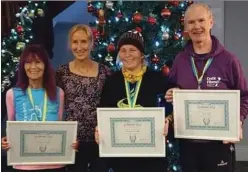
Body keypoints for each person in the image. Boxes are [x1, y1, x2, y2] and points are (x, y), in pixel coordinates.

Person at [165, 3, 248, 172]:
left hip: (219, 143)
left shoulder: (229, 60)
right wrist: (172, 93)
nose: (196, 26)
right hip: (188, 143)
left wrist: (238, 121)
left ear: (211, 22)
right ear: (186, 26)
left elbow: (244, 96)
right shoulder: (180, 60)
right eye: (191, 22)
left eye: (201, 20)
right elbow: (171, 89)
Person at [95, 30, 174, 172]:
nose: (127, 55)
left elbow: (171, 107)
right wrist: (99, 129)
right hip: (121, 156)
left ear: (142, 54)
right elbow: (103, 112)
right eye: (123, 50)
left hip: (152, 156)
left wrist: (168, 119)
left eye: (133, 50)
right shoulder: (112, 81)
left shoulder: (157, 79)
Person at [1, 44, 78, 172]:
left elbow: (60, 127)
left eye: (38, 62)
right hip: (24, 164)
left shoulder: (59, 93)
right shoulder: (12, 94)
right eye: (28, 63)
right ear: (23, 66)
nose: (33, 67)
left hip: (54, 164)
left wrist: (71, 142)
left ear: (45, 66)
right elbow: (11, 128)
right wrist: (4, 141)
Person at [55, 24, 111, 172]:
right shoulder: (61, 72)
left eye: (84, 41)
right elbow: (53, 106)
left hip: (99, 140)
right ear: (70, 44)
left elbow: (110, 104)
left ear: (92, 43)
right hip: (72, 142)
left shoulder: (105, 71)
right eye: (75, 42)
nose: (79, 47)